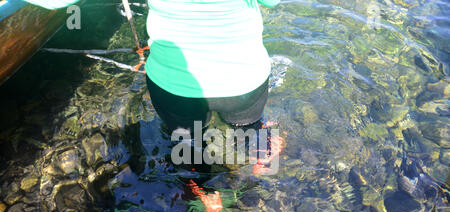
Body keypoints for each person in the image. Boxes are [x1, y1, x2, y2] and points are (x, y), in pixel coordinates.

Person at [25, 0, 280, 133]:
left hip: (175, 88)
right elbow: (271, 2)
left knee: (188, 146)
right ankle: (263, 158)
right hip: (244, 82)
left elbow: (57, 1)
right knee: (250, 130)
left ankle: (207, 198)